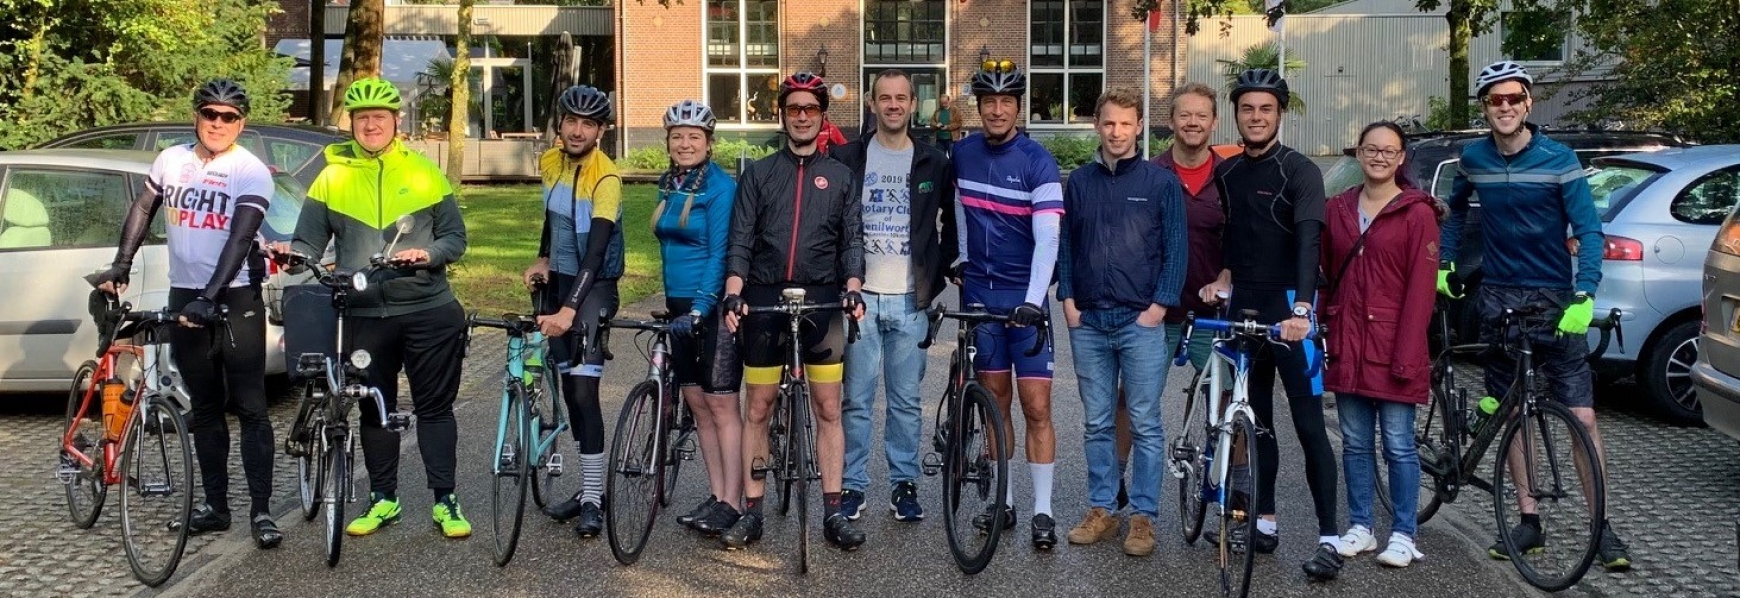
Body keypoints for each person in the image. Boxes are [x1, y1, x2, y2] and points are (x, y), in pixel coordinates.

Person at [1440, 60, 1631, 571]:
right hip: (1498, 299)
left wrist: (1584, 295)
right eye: (1494, 100)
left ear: (1528, 103)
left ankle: (1602, 529)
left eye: (1512, 99)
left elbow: (1588, 231)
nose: (1504, 107)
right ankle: (1528, 521)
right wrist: (1446, 260)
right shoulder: (1474, 159)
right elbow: (1455, 208)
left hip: (1553, 299)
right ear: (1485, 108)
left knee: (1584, 419)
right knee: (1512, 411)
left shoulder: (1559, 158)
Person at [93, 79, 282, 549]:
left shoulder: (250, 170)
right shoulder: (171, 159)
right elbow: (143, 207)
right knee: (204, 407)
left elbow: (241, 239)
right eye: (210, 114)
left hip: (236, 298)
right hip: (185, 293)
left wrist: (211, 296)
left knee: (252, 407)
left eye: (229, 117)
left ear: (242, 122)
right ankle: (217, 508)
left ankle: (261, 510)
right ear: (196, 116)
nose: (218, 124)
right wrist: (122, 263)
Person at [287, 77, 471, 539]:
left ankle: (445, 501)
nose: (371, 125)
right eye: (362, 118)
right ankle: (383, 499)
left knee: (434, 408)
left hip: (428, 308)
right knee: (373, 407)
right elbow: (307, 239)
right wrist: (292, 253)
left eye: (379, 117)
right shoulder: (332, 176)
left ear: (396, 122)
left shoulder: (424, 172)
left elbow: (455, 237)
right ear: (351, 124)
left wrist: (428, 255)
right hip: (364, 313)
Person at [1197, 68, 1342, 581]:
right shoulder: (1229, 173)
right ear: (1236, 115)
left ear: (1280, 113)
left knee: (1308, 426)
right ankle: (1265, 521)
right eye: (1247, 109)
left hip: (1288, 307)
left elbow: (1308, 243)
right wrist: (1222, 278)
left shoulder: (1299, 171)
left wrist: (1303, 309)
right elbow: (1236, 239)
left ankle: (1329, 538)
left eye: (1266, 109)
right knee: (1257, 424)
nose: (1256, 117)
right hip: (1244, 308)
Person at [719, 71, 868, 551]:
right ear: (782, 115)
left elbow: (853, 241)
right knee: (758, 407)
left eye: (810, 108)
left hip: (823, 302)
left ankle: (833, 511)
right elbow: (740, 238)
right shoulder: (759, 174)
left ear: (823, 115)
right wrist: (735, 290)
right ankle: (752, 510)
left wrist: (852, 288)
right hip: (764, 299)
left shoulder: (842, 177)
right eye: (793, 108)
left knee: (828, 407)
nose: (802, 116)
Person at [1056, 88, 1188, 557]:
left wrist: (1160, 306)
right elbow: (1066, 244)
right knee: (1095, 422)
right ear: (1097, 126)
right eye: (1108, 123)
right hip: (1088, 319)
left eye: (1125, 124)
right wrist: (1067, 297)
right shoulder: (1080, 182)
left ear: (1139, 127)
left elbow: (1176, 249)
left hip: (1140, 321)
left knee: (1146, 422)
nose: (1116, 132)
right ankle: (1103, 509)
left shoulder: (1160, 183)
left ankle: (1144, 518)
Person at [831, 69, 956, 524]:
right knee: (856, 399)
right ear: (871, 103)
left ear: (912, 104)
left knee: (905, 401)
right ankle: (852, 484)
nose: (893, 105)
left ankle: (903, 483)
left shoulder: (934, 162)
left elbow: (952, 224)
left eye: (901, 97)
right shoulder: (847, 157)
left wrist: (936, 275)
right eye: (884, 97)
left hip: (909, 300)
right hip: (860, 298)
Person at [951, 58, 1064, 549]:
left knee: (1036, 407)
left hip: (1024, 300)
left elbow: (1048, 239)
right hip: (981, 295)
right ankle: (1007, 501)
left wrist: (1035, 301)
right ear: (979, 107)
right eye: (989, 102)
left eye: (1006, 102)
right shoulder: (962, 154)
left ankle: (1044, 510)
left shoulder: (1038, 160)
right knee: (995, 405)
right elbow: (956, 204)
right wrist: (960, 255)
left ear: (1019, 106)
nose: (997, 110)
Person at [1321, 121, 1438, 568]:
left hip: (1394, 344)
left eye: (1389, 151)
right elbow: (1328, 274)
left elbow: (1421, 291)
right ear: (1359, 153)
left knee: (1398, 444)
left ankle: (1404, 533)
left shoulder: (1417, 213)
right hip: (1348, 339)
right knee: (1353, 441)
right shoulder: (1339, 209)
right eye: (1372, 149)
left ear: (1402, 158)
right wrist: (1323, 328)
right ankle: (1361, 527)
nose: (1380, 157)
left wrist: (1409, 354)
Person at [526, 84, 626, 540]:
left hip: (594, 287)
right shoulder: (550, 162)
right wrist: (544, 257)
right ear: (560, 124)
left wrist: (569, 310)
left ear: (601, 131)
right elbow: (554, 220)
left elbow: (596, 253)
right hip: (561, 282)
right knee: (568, 389)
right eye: (571, 121)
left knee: (585, 393)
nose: (578, 130)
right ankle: (586, 489)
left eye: (589, 124)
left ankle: (593, 499)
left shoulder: (606, 179)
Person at [652, 100, 747, 536]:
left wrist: (699, 308)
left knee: (722, 405)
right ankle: (716, 494)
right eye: (677, 136)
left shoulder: (721, 188)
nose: (685, 143)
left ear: (709, 143)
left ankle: (735, 500)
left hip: (706, 308)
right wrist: (674, 305)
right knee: (697, 404)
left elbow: (719, 254)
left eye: (694, 137)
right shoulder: (669, 183)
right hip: (678, 307)